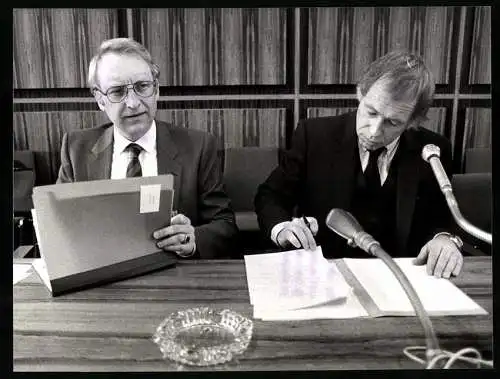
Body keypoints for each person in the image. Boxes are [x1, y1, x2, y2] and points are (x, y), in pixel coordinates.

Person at [255, 50, 463, 278]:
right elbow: (270, 195)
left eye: (393, 122)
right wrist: (282, 228)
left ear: (412, 122)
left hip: (400, 276)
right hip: (325, 274)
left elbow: (442, 218)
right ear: (360, 93)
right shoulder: (314, 136)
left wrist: (444, 239)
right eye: (371, 112)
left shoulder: (432, 149)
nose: (374, 131)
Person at [57, 38, 238, 259]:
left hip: (174, 278)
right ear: (100, 100)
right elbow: (60, 227)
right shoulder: (76, 150)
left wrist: (192, 240)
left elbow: (226, 227)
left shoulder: (199, 146)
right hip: (101, 279)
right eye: (117, 91)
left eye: (142, 87)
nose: (133, 103)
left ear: (156, 89)